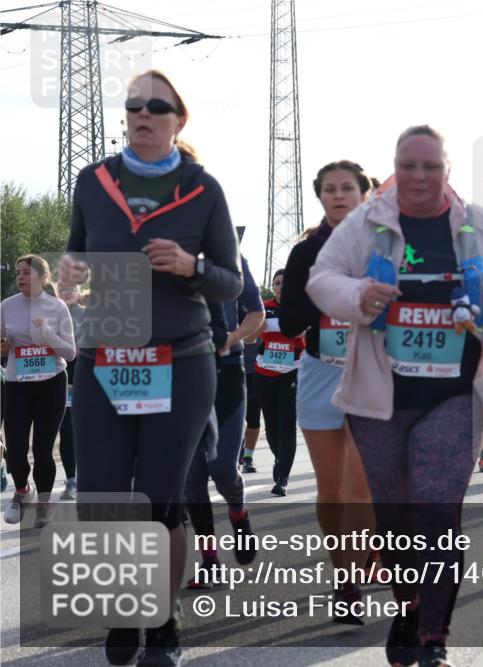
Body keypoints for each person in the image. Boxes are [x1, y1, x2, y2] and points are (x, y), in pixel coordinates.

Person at [306, 125, 483, 667]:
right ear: (395, 167)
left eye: (430, 166)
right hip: (380, 394)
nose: (418, 176)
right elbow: (323, 278)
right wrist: (359, 294)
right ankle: (407, 606)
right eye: (408, 165)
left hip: (455, 392)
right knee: (395, 513)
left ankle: (435, 634)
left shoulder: (476, 223)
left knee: (436, 508)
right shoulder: (369, 221)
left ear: (447, 170)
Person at [63, 69, 242, 667]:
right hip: (104, 359)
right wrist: (71, 276)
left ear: (178, 120)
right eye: (134, 104)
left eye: (156, 106)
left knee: (162, 501)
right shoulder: (94, 182)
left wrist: (191, 266)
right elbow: (78, 255)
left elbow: (230, 284)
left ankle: (162, 623)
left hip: (180, 360)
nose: (142, 113)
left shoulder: (204, 189)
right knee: (104, 500)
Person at [279, 160, 375, 620]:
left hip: (374, 371)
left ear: (364, 194)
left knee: (361, 486)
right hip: (321, 370)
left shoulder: (388, 244)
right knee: (331, 489)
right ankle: (343, 569)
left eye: (347, 188)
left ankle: (351, 583)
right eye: (329, 189)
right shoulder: (306, 253)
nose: (338, 195)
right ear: (320, 198)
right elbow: (293, 318)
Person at [184, 254, 264, 588]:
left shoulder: (232, 259)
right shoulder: (157, 256)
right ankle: (210, 560)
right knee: (192, 482)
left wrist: (230, 339)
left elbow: (256, 314)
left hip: (227, 375)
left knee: (221, 469)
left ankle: (238, 511)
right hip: (181, 379)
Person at [1, 255, 76, 526]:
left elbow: (70, 352)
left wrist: (48, 337)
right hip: (18, 384)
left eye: (26, 273)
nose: (20, 277)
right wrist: (3, 348)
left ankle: (44, 503)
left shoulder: (56, 307)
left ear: (43, 278)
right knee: (17, 449)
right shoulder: (6, 307)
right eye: (18, 272)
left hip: (51, 383)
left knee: (43, 449)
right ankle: (22, 491)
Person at [256, 269, 304, 496]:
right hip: (265, 372)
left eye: (285, 283)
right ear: (272, 286)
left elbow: (304, 335)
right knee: (272, 427)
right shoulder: (263, 306)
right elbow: (256, 333)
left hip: (291, 373)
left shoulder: (301, 307)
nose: (280, 286)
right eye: (276, 283)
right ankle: (280, 458)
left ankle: (282, 477)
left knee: (287, 425)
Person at [57, 282, 86, 500]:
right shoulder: (52, 314)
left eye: (70, 289)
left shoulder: (88, 316)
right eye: (62, 289)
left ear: (78, 292)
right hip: (63, 381)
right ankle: (71, 479)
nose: (66, 292)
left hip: (88, 380)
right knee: (67, 430)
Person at [240, 314, 262, 472]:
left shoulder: (259, 311)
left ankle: (248, 457)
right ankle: (232, 455)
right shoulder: (224, 305)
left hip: (255, 371)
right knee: (232, 416)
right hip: (232, 370)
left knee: (253, 418)